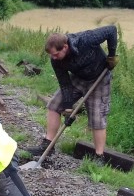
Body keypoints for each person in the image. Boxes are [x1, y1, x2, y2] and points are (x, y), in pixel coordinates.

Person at [26, 26, 119, 165]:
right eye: (51, 55)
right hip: (78, 79)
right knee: (54, 105)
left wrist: (111, 55)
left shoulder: (86, 39)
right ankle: (48, 145)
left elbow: (112, 30)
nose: (53, 58)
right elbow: (65, 84)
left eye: (55, 54)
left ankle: (99, 157)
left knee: (97, 118)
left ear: (64, 47)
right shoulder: (56, 61)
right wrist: (68, 110)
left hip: (99, 78)